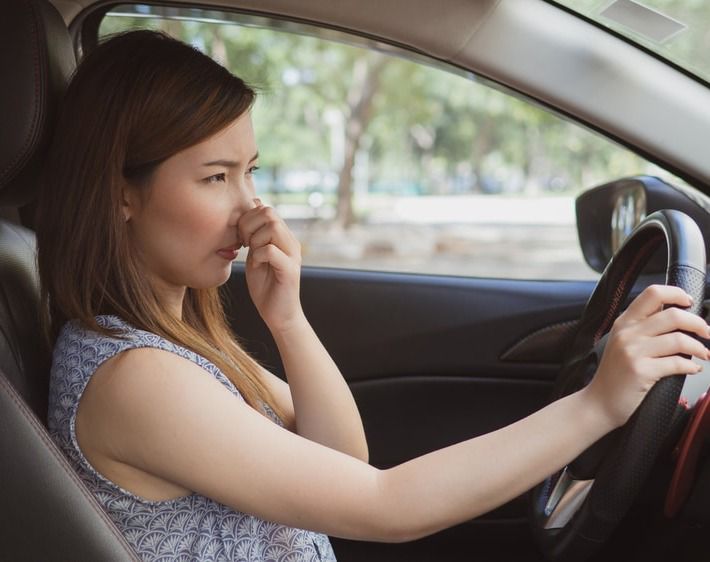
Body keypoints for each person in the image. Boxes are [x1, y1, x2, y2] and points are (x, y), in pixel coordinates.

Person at [37, 30, 709, 562]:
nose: (251, 209)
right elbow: (386, 504)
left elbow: (342, 460)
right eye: (216, 178)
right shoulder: (135, 378)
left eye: (252, 172)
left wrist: (289, 320)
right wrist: (596, 405)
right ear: (122, 192)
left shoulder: (180, 341)